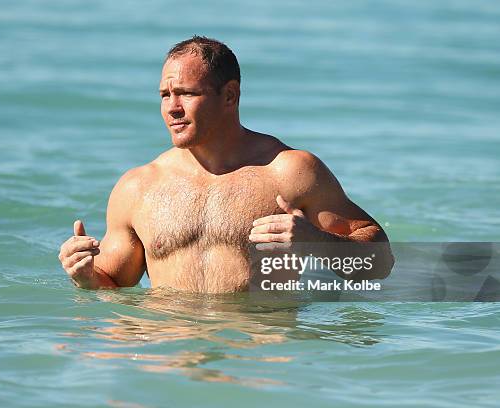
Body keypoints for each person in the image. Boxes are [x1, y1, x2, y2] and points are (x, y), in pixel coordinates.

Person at [58, 36, 394, 293]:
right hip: (169, 357)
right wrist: (86, 276)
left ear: (230, 96)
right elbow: (114, 283)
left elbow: (380, 263)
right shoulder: (138, 188)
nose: (172, 108)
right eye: (164, 95)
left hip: (257, 359)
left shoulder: (289, 172)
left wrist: (315, 243)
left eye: (187, 94)